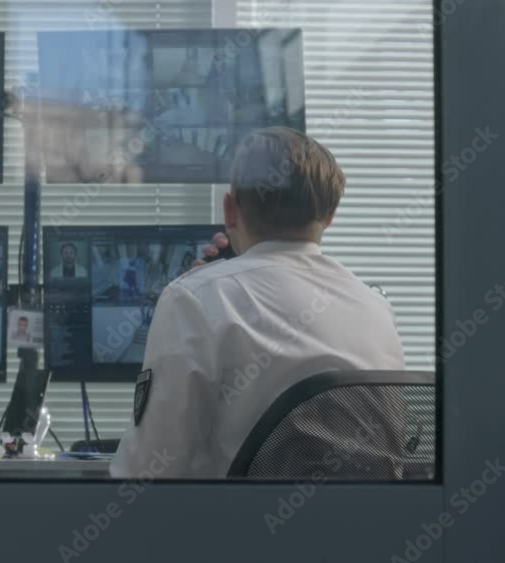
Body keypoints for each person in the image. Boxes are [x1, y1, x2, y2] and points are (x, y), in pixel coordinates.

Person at [110, 127, 405, 479]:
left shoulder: (194, 299)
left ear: (230, 211)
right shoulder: (375, 308)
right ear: (330, 216)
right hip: (375, 530)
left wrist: (209, 285)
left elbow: (147, 472)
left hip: (242, 531)